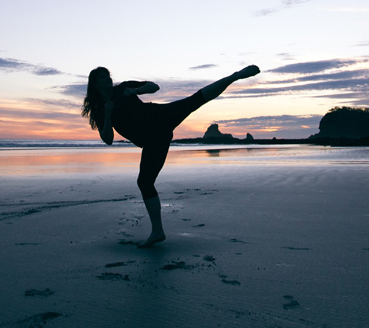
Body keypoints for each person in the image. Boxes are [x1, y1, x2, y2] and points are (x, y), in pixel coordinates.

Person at [82, 65, 260, 247]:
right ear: (95, 83)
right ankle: (157, 232)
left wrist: (135, 90)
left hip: (161, 117)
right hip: (154, 140)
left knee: (195, 100)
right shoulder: (99, 109)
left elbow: (154, 86)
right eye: (103, 78)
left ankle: (235, 76)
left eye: (108, 76)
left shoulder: (123, 88)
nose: (108, 79)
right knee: (144, 182)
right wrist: (109, 115)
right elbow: (108, 139)